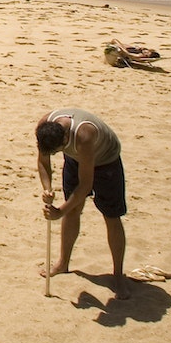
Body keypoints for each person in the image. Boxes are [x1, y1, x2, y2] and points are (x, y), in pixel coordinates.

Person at [35, 108, 131, 299]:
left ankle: (118, 275)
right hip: (76, 158)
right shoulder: (45, 126)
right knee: (73, 211)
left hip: (106, 161)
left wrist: (59, 211)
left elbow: (86, 185)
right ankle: (63, 263)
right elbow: (43, 161)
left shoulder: (84, 135)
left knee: (111, 216)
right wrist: (47, 188)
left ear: (64, 141)